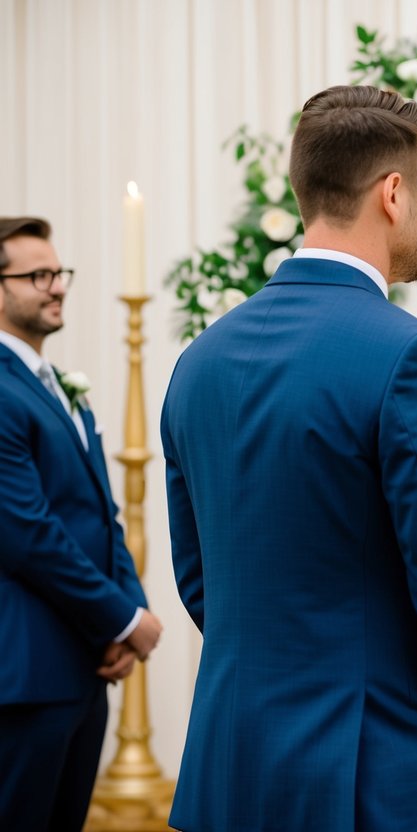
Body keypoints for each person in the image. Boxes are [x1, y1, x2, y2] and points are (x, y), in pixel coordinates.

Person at [161, 86, 417, 832]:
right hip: (370, 771)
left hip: (226, 765)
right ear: (393, 194)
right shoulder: (411, 357)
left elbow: (201, 581)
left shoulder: (198, 360)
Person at [0, 216, 163, 830]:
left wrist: (128, 611)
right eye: (36, 275)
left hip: (83, 665)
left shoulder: (55, 386)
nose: (57, 286)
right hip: (25, 676)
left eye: (59, 272)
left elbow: (101, 514)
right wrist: (123, 619)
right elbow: (27, 537)